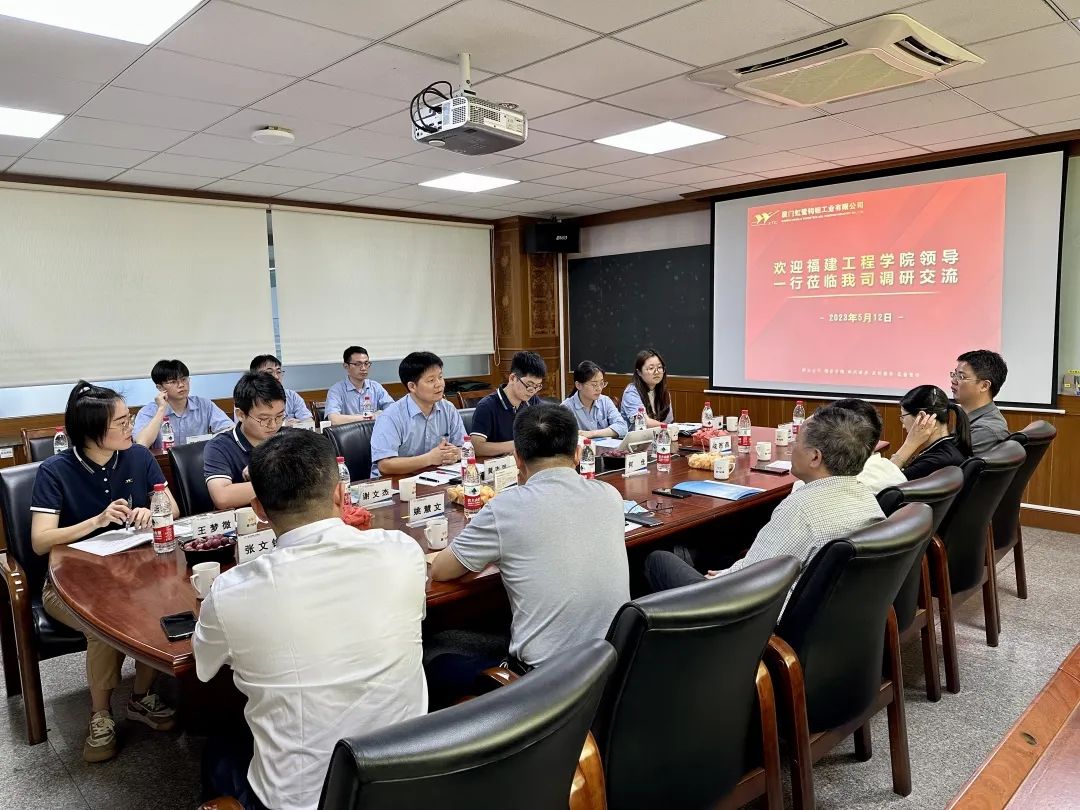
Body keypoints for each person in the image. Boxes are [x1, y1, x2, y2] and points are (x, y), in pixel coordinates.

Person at [195, 429, 427, 810]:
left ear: (258, 509)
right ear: (340, 493)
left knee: (217, 748)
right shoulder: (402, 551)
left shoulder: (231, 592)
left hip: (302, 802)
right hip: (408, 784)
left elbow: (204, 668)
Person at [429, 404, 629, 701]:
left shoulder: (506, 507)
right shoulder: (609, 495)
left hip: (543, 685)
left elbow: (441, 570)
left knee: (436, 656)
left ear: (517, 459)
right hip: (610, 668)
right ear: (577, 454)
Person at [31, 381, 179, 763]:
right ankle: (100, 715)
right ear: (91, 431)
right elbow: (40, 541)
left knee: (162, 606)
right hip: (67, 587)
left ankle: (141, 697)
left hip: (134, 576)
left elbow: (173, 509)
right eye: (121, 422)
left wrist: (152, 510)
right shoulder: (55, 470)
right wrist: (96, 521)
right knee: (103, 624)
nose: (131, 427)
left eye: (129, 419)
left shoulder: (138, 457)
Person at [644, 405, 884, 599]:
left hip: (751, 618)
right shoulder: (867, 499)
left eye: (797, 441)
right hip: (824, 617)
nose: (792, 447)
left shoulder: (801, 509)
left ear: (815, 457)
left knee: (657, 560)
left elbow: (750, 578)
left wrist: (722, 577)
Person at [369, 351, 464, 478]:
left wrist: (456, 453)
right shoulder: (390, 417)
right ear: (412, 386)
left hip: (436, 478)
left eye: (440, 377)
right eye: (431, 380)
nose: (439, 384)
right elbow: (385, 466)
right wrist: (429, 459)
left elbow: (465, 447)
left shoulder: (448, 408)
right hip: (396, 482)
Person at [204, 373, 287, 510]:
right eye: (264, 419)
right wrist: (281, 480)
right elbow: (223, 497)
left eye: (279, 416)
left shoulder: (288, 437)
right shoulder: (219, 447)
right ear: (241, 415)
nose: (273, 425)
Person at [133, 359, 233, 450]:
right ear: (160, 387)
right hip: (164, 462)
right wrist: (161, 409)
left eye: (184, 379)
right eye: (173, 382)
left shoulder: (204, 405)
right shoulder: (148, 412)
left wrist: (211, 441)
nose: (181, 385)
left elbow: (230, 430)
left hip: (200, 460)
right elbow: (142, 444)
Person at [470, 351, 546, 457]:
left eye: (537, 386)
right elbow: (476, 447)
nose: (532, 391)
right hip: (498, 465)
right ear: (512, 378)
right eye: (529, 385)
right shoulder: (487, 406)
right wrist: (517, 445)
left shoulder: (533, 401)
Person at [890, 384, 972, 480]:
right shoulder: (951, 446)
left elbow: (883, 482)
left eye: (903, 417)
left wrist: (908, 445)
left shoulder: (935, 461)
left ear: (921, 417)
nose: (903, 426)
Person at [951, 350, 1010, 454]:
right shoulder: (966, 418)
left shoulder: (986, 431)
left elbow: (947, 463)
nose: (953, 380)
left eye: (961, 377)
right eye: (954, 374)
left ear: (984, 386)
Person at [324, 346, 395, 425]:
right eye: (358, 364)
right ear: (346, 366)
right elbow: (334, 419)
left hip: (374, 431)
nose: (363, 368)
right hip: (349, 432)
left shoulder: (376, 387)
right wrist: (369, 417)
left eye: (366, 363)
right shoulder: (336, 390)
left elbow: (394, 411)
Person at [561, 361, 628, 439]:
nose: (599, 388)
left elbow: (623, 427)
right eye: (594, 384)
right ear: (578, 385)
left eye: (601, 383)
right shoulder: (566, 408)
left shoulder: (605, 401)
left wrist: (592, 433)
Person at [249, 354, 312, 425]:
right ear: (255, 376)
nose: (276, 377)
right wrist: (284, 424)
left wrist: (299, 424)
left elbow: (309, 421)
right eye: (269, 372)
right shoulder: (249, 397)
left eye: (278, 372)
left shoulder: (291, 396)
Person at [620, 349, 673, 428]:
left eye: (659, 367)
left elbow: (669, 421)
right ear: (639, 372)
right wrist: (668, 426)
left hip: (658, 435)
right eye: (651, 368)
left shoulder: (664, 392)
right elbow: (644, 422)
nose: (657, 372)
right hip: (636, 435)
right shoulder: (631, 392)